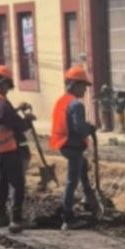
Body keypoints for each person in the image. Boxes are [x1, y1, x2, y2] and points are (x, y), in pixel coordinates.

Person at [0, 65, 33, 232]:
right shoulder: (2, 103)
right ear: (5, 84)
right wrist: (27, 121)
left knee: (1, 182)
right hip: (8, 148)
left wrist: (16, 109)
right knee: (17, 184)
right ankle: (16, 220)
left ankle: (1, 217)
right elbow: (12, 122)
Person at [50, 66, 99, 230]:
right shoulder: (76, 105)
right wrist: (90, 128)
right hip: (72, 145)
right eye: (83, 86)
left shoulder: (62, 101)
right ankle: (68, 217)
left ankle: (88, 199)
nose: (85, 90)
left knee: (83, 167)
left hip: (63, 144)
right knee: (72, 180)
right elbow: (79, 129)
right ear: (75, 85)